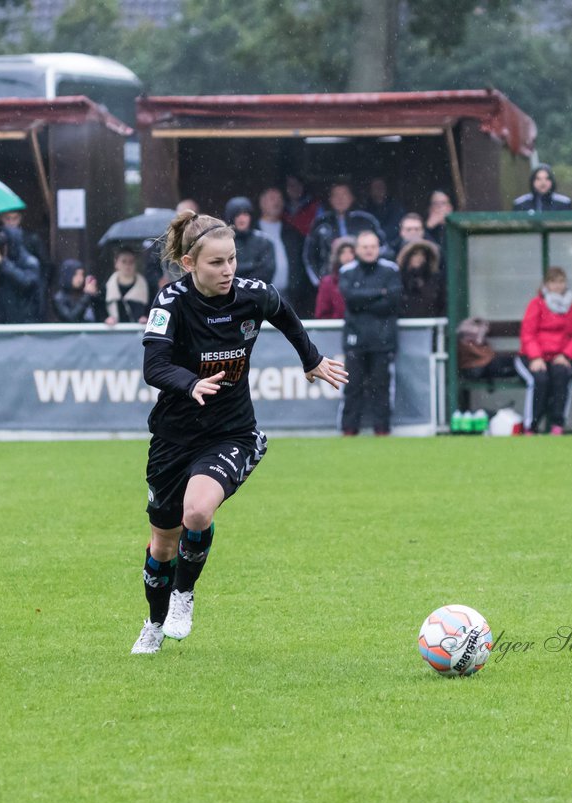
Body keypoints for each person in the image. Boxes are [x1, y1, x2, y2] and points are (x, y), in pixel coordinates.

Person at [131, 209, 347, 654]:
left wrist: (311, 359)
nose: (228, 270)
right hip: (173, 439)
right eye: (216, 262)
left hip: (231, 433)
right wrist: (190, 383)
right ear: (190, 264)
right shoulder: (170, 303)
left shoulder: (253, 295)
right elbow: (154, 366)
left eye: (232, 259)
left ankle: (184, 596)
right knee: (162, 544)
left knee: (197, 512)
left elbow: (284, 314)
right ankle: (153, 624)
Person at [338, 231, 402, 436]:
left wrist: (364, 300)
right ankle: (349, 430)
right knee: (352, 386)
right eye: (365, 247)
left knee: (381, 387)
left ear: (379, 248)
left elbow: (392, 301)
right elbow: (350, 298)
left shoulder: (390, 270)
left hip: (383, 340)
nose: (369, 250)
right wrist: (378, 293)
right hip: (355, 339)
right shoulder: (347, 271)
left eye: (372, 246)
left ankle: (382, 429)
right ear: (356, 249)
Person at [515, 266, 572, 435]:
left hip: (560, 357)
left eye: (561, 281)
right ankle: (531, 427)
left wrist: (566, 355)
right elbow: (528, 333)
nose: (558, 286)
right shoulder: (536, 303)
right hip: (533, 356)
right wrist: (535, 357)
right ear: (546, 284)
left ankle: (557, 426)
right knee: (539, 379)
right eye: (553, 282)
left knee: (562, 375)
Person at [303, 181, 383, 288]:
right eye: (336, 195)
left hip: (364, 282)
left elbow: (383, 248)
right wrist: (318, 282)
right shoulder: (320, 222)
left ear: (352, 197)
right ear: (330, 199)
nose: (340, 199)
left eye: (344, 194)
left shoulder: (367, 220)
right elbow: (309, 256)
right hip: (330, 283)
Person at [256, 186, 310, 317]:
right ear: (261, 202)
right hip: (259, 298)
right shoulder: (252, 232)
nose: (277, 202)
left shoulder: (292, 233)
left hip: (289, 298)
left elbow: (301, 265)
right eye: (272, 198)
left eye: (280, 199)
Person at [224, 196, 276, 285]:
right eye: (237, 215)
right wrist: (252, 266)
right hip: (230, 293)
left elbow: (266, 273)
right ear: (231, 217)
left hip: (258, 293)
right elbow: (223, 271)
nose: (242, 218)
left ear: (251, 216)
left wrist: (240, 272)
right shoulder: (223, 243)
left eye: (245, 214)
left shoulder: (264, 241)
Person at [103, 246, 151, 325]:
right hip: (114, 333)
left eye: (131, 261)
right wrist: (106, 318)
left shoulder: (146, 286)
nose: (127, 265)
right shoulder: (107, 286)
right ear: (116, 263)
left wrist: (146, 317)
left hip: (139, 333)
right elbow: (101, 310)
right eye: (124, 261)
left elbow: (151, 308)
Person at [397, 238, 444, 318]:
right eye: (415, 254)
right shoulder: (398, 279)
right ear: (407, 256)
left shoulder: (436, 280)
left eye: (423, 254)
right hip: (403, 325)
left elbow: (442, 304)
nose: (419, 257)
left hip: (431, 325)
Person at [314, 236, 356, 320]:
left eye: (351, 252)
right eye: (343, 252)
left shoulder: (364, 279)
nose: (347, 256)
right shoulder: (328, 283)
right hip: (337, 329)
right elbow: (322, 314)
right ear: (337, 256)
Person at [363, 177, 404, 247]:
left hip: (393, 245)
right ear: (370, 190)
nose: (379, 189)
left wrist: (381, 236)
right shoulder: (366, 209)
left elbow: (395, 226)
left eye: (381, 186)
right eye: (376, 187)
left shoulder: (395, 206)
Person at [424, 190, 454, 255]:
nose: (439, 207)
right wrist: (429, 227)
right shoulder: (425, 229)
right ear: (430, 208)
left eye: (443, 203)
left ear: (450, 208)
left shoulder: (455, 228)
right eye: (435, 203)